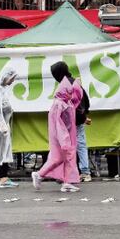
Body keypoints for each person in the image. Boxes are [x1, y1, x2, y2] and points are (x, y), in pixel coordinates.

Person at [32, 61, 83, 193]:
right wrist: (65, 139)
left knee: (58, 157)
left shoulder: (62, 101)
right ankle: (66, 182)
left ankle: (41, 175)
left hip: (63, 135)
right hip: (64, 136)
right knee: (66, 156)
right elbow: (61, 123)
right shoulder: (61, 104)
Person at [74, 76, 92, 182]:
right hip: (79, 122)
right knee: (81, 146)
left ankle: (81, 171)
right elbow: (87, 105)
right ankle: (85, 172)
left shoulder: (72, 91)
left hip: (72, 122)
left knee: (72, 147)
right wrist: (84, 117)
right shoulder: (81, 91)